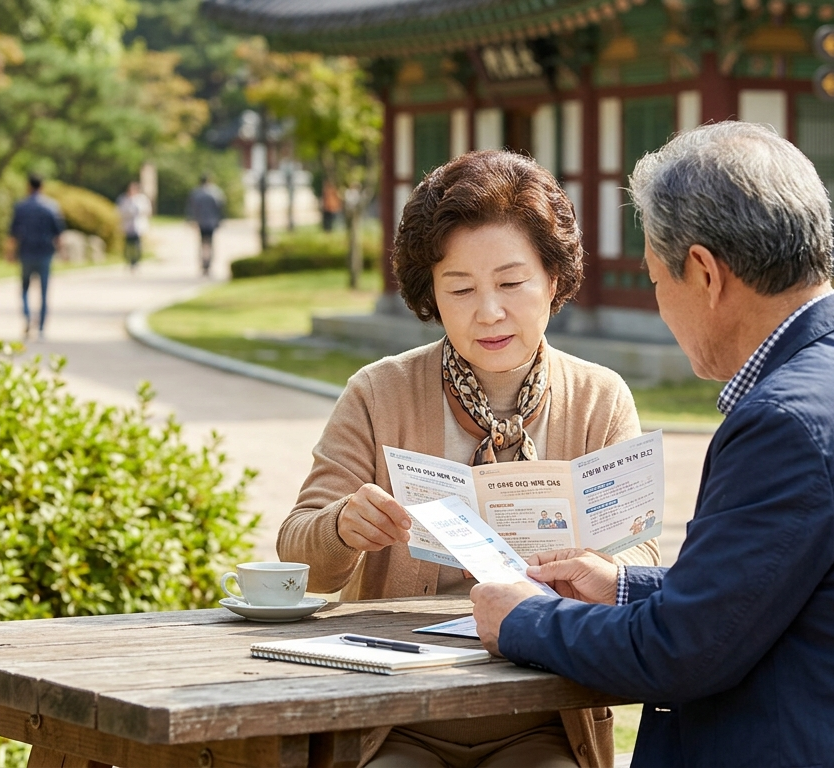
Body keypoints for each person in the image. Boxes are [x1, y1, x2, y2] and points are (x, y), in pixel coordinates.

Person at [469, 123, 834, 767]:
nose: (660, 306)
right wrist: (624, 587)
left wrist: (521, 619)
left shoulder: (788, 420)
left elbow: (682, 652)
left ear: (703, 272)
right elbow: (783, 590)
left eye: (654, 281)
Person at [281, 150, 659, 768]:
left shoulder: (599, 397)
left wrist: (591, 564)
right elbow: (298, 550)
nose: (488, 312)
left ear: (554, 280)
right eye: (460, 288)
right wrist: (343, 526)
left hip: (541, 711)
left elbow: (640, 553)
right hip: (395, 714)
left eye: (511, 283)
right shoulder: (379, 392)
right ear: (431, 292)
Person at [9, 174, 65, 341]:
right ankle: (40, 328)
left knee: (25, 288)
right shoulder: (51, 207)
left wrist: (10, 253)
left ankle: (27, 316)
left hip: (26, 252)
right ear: (42, 186)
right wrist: (63, 252)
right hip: (45, 253)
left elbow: (13, 233)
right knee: (44, 291)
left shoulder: (21, 207)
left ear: (28, 186)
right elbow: (58, 233)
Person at [186, 174, 225, 276]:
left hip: (201, 222)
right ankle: (208, 264)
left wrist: (191, 220)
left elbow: (191, 208)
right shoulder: (215, 192)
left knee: (203, 243)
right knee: (210, 243)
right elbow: (220, 207)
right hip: (211, 222)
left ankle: (204, 263)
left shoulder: (196, 193)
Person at [116, 181, 152, 271]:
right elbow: (119, 211)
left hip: (138, 225)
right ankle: (128, 260)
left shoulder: (141, 199)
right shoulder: (123, 198)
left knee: (137, 244)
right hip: (127, 225)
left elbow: (147, 210)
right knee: (128, 244)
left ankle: (136, 261)